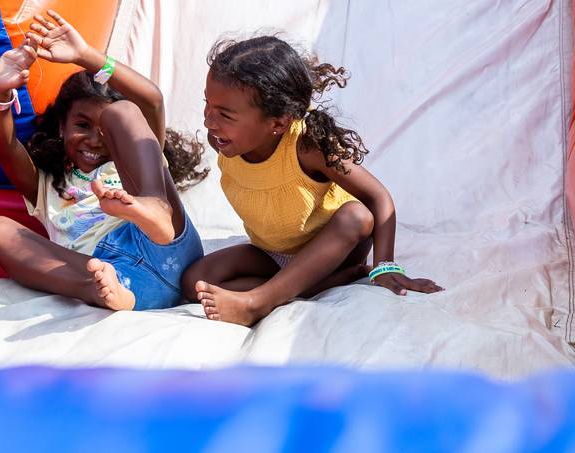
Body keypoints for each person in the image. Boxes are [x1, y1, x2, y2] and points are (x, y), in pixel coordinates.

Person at [181, 35, 443, 326]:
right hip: (271, 251)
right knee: (194, 282)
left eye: (225, 114)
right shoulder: (223, 141)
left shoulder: (307, 146)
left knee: (355, 216)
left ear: (278, 123)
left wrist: (384, 266)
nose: (209, 121)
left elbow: (378, 198)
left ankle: (258, 302)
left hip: (331, 251)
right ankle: (311, 287)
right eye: (208, 104)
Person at [0, 10, 207, 311]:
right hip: (110, 276)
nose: (95, 140)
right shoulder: (47, 185)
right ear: (61, 126)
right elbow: (3, 145)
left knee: (121, 111)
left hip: (164, 243)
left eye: (105, 132)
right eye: (82, 126)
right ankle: (97, 291)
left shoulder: (138, 157)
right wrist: (1, 91)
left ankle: (155, 208)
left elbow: (152, 100)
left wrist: (85, 55)